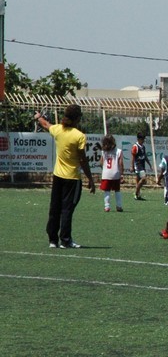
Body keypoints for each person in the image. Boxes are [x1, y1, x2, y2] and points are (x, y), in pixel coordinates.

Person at [34, 105, 96, 249]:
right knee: (67, 209)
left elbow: (45, 124)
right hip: (72, 178)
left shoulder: (58, 130)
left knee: (55, 208)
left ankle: (53, 240)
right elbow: (82, 160)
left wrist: (38, 117)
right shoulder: (79, 136)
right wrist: (90, 179)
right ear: (77, 119)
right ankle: (66, 240)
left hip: (58, 176)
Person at [99, 134, 125, 213]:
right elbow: (121, 164)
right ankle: (119, 206)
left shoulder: (104, 152)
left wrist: (104, 169)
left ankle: (107, 206)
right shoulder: (119, 151)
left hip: (106, 174)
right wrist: (122, 174)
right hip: (115, 173)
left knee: (107, 191)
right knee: (117, 190)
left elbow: (101, 163)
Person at [131, 132, 150, 200]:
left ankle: (137, 195)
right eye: (142, 139)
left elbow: (145, 156)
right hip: (138, 166)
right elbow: (133, 157)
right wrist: (132, 166)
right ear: (138, 139)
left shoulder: (143, 147)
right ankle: (136, 193)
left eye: (144, 139)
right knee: (144, 179)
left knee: (138, 180)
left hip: (142, 165)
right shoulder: (135, 147)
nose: (143, 140)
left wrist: (149, 164)